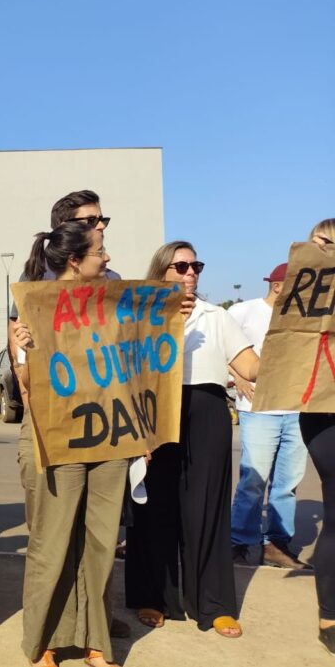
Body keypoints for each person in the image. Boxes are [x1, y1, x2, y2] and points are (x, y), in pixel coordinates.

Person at [125, 241, 258, 638]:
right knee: (154, 505)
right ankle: (154, 596)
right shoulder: (140, 316)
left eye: (195, 265)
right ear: (162, 271)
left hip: (206, 410)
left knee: (207, 509)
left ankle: (213, 603)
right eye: (181, 266)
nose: (190, 273)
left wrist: (289, 349)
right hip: (155, 409)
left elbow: (249, 363)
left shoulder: (216, 316)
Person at [12, 222, 128, 667]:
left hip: (109, 437)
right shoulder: (34, 306)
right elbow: (25, 384)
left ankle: (97, 641)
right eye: (101, 251)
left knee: (101, 543)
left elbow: (136, 369)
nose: (108, 258)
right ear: (76, 261)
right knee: (53, 541)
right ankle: (46, 642)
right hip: (56, 436)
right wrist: (25, 352)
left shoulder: (116, 305)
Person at [229, 263, 309, 569]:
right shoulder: (243, 312)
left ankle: (277, 544)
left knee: (287, 483)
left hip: (297, 409)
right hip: (258, 409)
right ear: (277, 286)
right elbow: (221, 347)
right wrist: (235, 375)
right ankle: (239, 542)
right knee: (254, 479)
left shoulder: (302, 319)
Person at [299, 217, 335, 655]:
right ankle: (330, 612)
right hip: (323, 412)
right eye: (318, 242)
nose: (322, 248)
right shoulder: (301, 290)